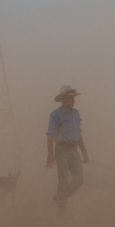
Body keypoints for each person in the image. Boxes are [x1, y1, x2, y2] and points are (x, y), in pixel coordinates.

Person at [46, 85, 89, 215]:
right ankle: (62, 211)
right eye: (70, 98)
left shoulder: (76, 113)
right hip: (62, 150)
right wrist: (50, 154)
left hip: (74, 149)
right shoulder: (56, 114)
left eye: (74, 97)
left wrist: (84, 151)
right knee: (63, 180)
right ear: (63, 99)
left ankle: (60, 198)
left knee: (79, 179)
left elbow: (78, 133)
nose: (73, 100)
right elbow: (50, 134)